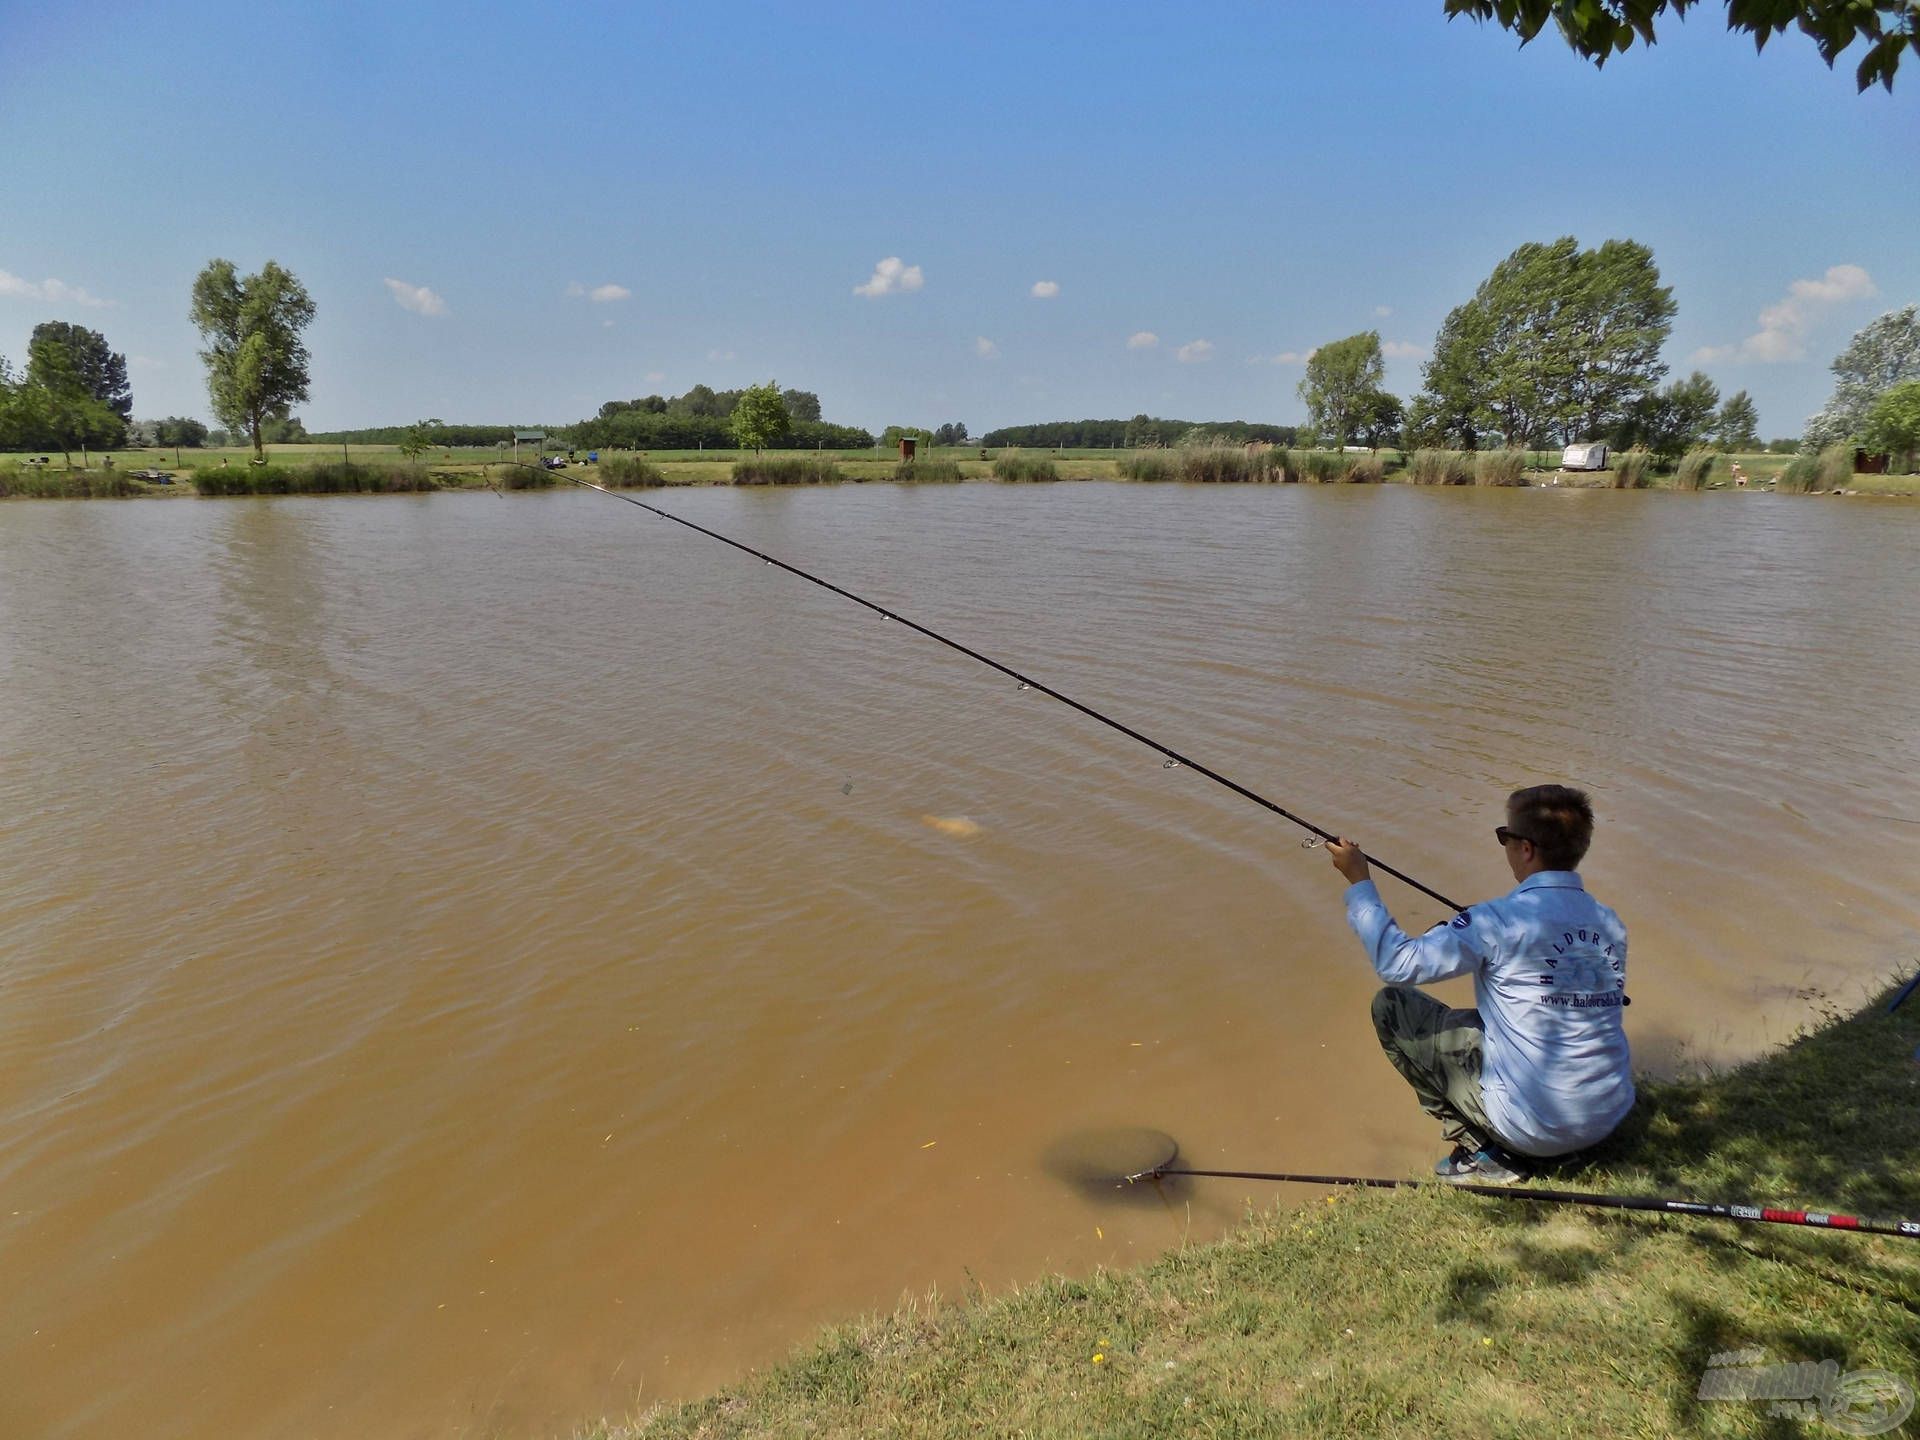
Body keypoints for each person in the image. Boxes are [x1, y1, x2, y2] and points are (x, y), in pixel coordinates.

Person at [1325, 784, 1633, 1185]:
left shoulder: (1497, 921)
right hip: (1608, 1115)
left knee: (1392, 1006)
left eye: (1504, 836)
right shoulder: (1610, 922)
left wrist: (1358, 880)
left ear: (1525, 849)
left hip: (1535, 1128)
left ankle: (1484, 1152)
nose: (1503, 845)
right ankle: (1558, 1140)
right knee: (1494, 1018)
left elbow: (1397, 964)